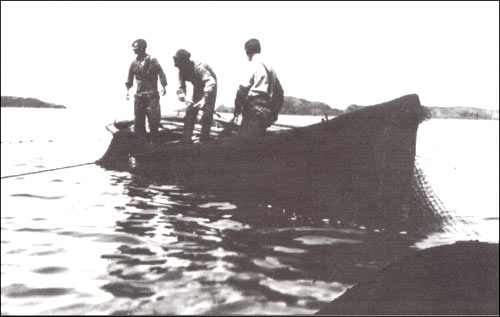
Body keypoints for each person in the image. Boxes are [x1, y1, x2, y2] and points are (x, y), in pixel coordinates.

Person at [230, 38, 284, 140]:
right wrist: (273, 113)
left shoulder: (253, 64)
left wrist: (236, 112)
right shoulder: (271, 66)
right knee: (258, 142)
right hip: (265, 111)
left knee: (244, 145)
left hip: (253, 110)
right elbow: (279, 93)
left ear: (247, 51)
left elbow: (242, 91)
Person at [173, 49, 217, 143]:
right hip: (198, 86)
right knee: (191, 111)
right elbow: (180, 87)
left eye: (178, 62)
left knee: (206, 114)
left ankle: (204, 140)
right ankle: (186, 139)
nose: (176, 65)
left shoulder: (199, 67)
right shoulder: (181, 70)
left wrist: (204, 99)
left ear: (185, 62)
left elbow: (211, 82)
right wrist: (184, 97)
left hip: (210, 86)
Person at [125, 39, 167, 137]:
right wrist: (127, 90)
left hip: (152, 96)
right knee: (139, 121)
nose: (133, 49)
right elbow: (129, 78)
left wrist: (163, 86)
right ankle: (141, 144)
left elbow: (161, 73)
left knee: (153, 120)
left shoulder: (152, 60)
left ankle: (155, 142)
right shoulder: (134, 63)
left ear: (142, 47)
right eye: (133, 47)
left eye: (135, 47)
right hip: (139, 96)